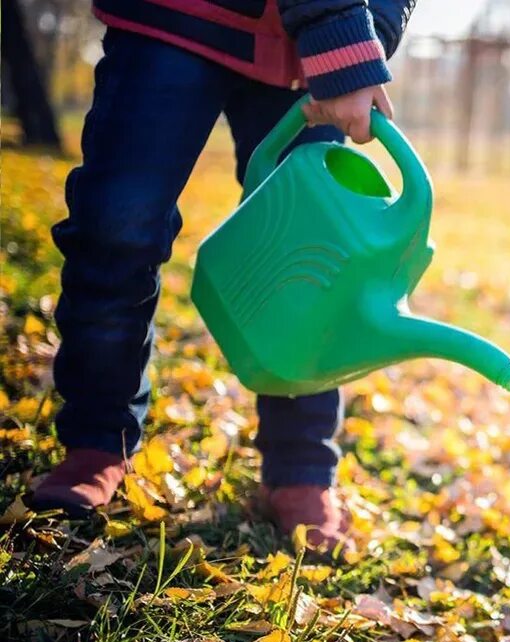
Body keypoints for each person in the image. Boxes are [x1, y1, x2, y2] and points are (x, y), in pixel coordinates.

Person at [26, 0, 418, 559]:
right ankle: (96, 440)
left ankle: (301, 466)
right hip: (178, 16)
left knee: (313, 261)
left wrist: (366, 33)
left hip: (300, 52)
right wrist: (343, 41)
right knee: (117, 225)